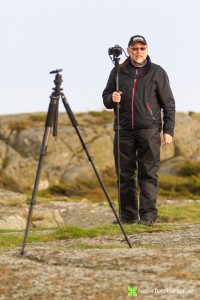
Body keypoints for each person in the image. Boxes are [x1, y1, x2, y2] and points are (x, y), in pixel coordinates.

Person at [102, 35, 175, 226]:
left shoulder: (157, 72)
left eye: (142, 48)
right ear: (128, 50)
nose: (139, 52)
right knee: (124, 175)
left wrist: (168, 130)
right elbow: (105, 97)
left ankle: (148, 216)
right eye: (135, 48)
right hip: (123, 130)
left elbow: (168, 103)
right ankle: (128, 217)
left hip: (149, 131)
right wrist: (112, 98)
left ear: (147, 50)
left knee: (148, 174)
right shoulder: (117, 71)